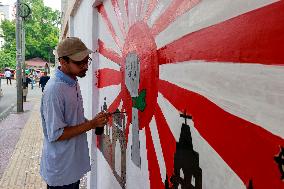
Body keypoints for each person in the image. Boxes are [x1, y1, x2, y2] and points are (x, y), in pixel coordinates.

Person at [40, 37, 110, 189]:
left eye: (87, 60)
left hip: (72, 166)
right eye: (79, 62)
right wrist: (91, 124)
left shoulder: (72, 81)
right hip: (61, 169)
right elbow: (56, 134)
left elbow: (73, 118)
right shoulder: (55, 90)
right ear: (63, 62)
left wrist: (92, 122)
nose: (85, 66)